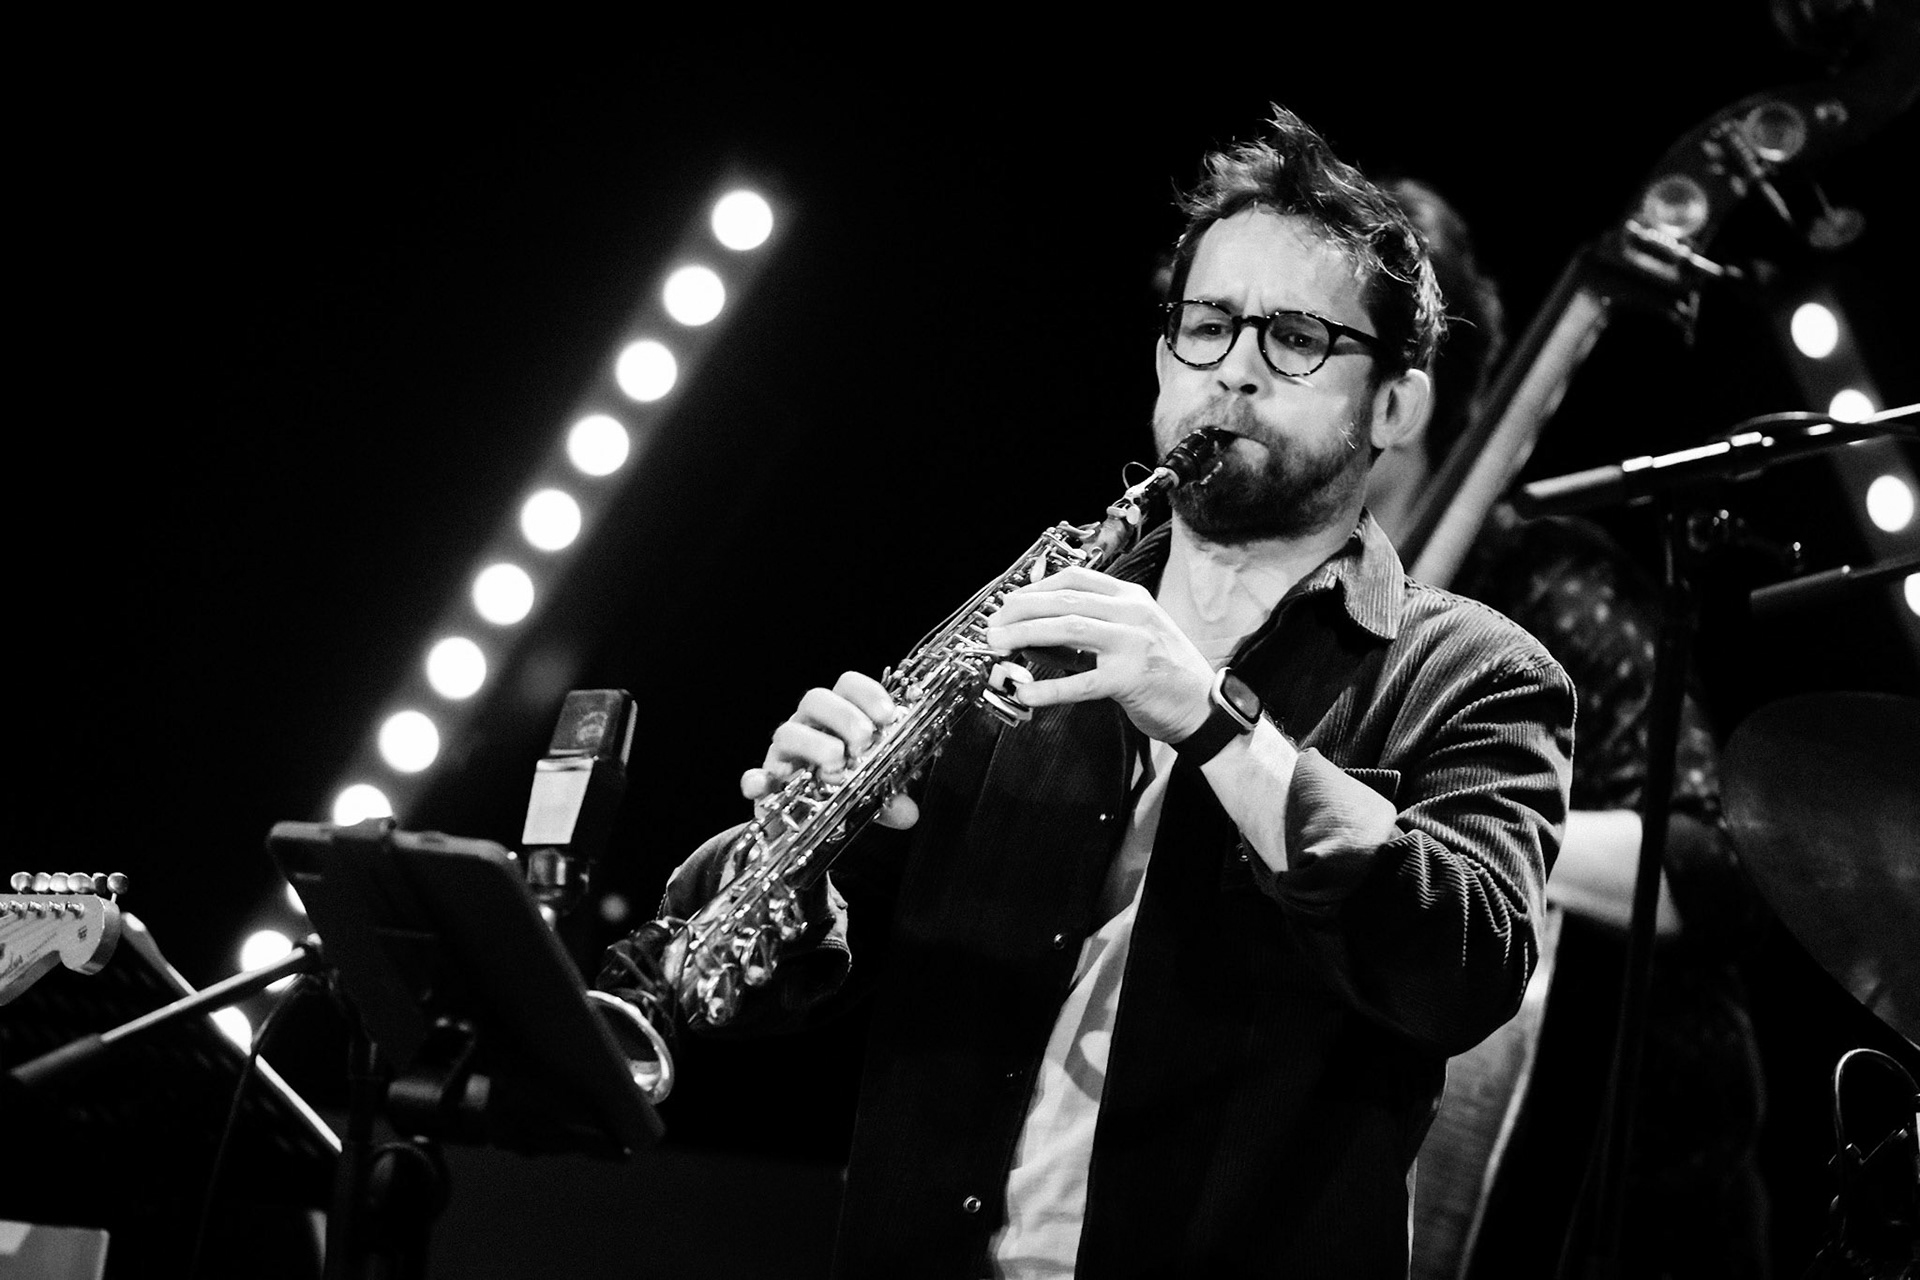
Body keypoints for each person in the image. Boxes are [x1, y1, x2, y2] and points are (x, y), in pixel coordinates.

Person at [603, 107, 1576, 1279]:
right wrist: (792, 863)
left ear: (1396, 406)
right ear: (1165, 358)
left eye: (1297, 339)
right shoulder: (1031, 616)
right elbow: (788, 993)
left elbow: (1464, 970)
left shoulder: (1477, 672)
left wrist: (1214, 719)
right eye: (1207, 326)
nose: (1237, 368)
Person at [1369, 178, 1772, 1279]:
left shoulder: (1547, 586)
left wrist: (1422, 829)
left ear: (1407, 396)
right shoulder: (1289, 610)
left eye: (1311, 344)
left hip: (1640, 1184)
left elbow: (1708, 862)